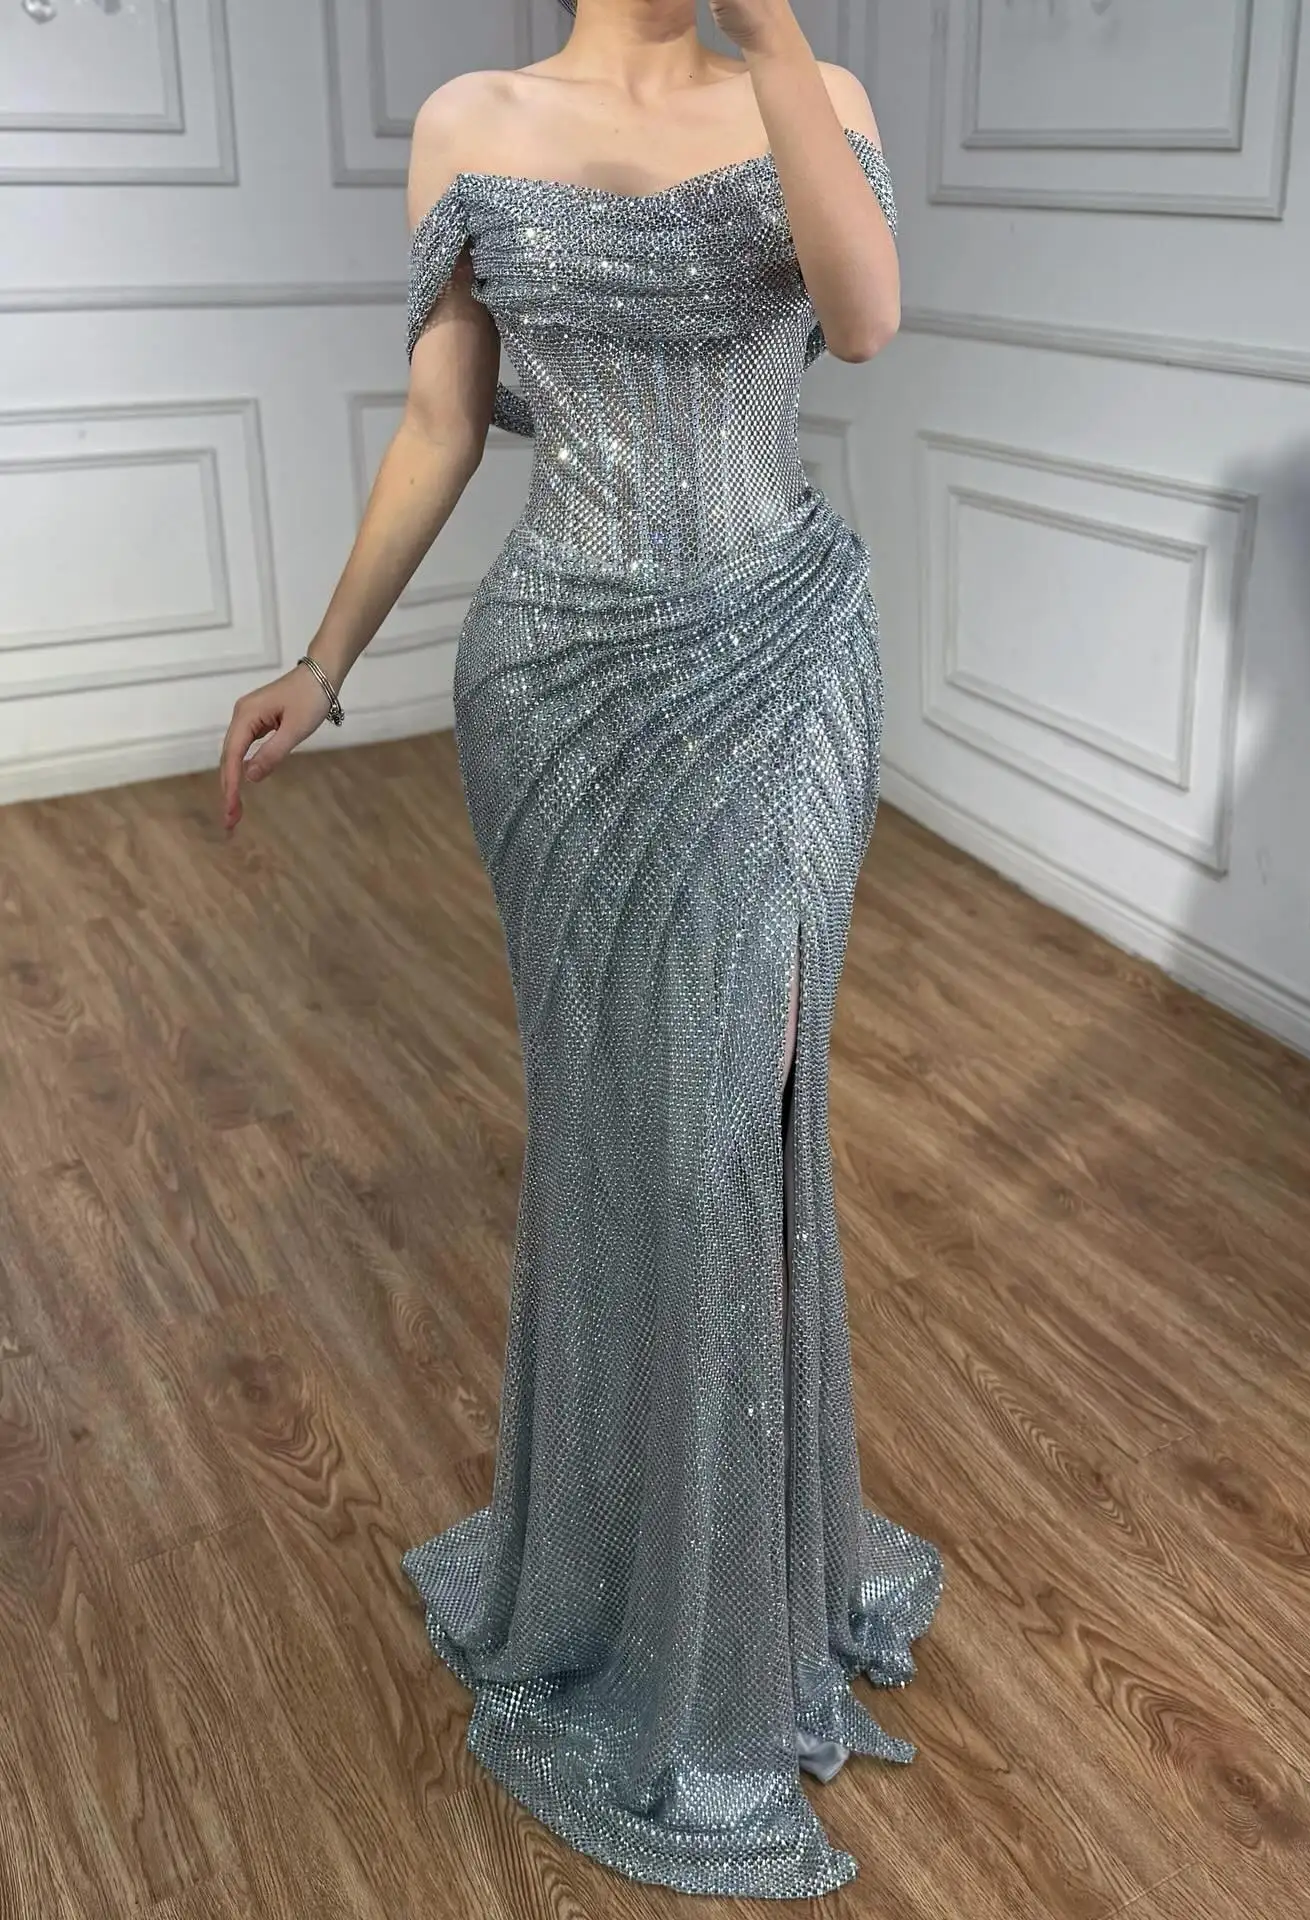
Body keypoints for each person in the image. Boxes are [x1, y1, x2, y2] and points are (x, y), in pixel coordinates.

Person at [217, 0, 942, 1899]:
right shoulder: (472, 120)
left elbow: (865, 321)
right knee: (625, 1145)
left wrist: (775, 43)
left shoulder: (812, 88)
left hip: (781, 657)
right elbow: (443, 422)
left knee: (730, 1135)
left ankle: (732, 1609)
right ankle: (618, 1583)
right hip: (564, 689)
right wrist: (322, 662)